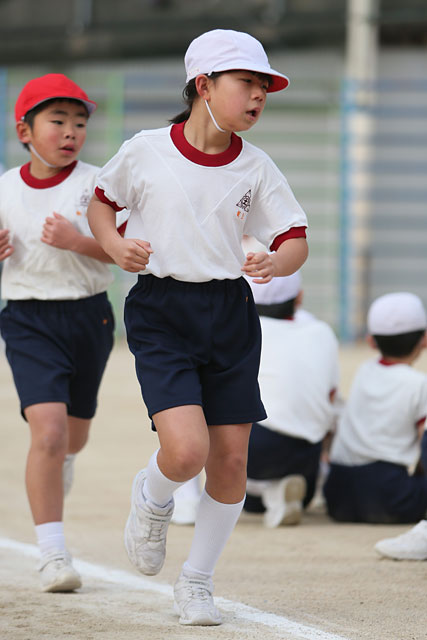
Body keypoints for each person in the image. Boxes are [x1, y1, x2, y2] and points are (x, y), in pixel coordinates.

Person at [87, 29, 308, 626]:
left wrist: (277, 261)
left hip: (230, 313)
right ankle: (152, 496)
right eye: (247, 83)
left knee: (230, 460)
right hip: (162, 310)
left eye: (265, 87)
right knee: (186, 452)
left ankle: (197, 583)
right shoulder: (146, 150)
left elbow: (294, 238)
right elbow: (101, 200)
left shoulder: (257, 167)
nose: (259, 96)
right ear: (203, 86)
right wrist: (113, 244)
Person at [0, 73, 124, 592]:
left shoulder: (98, 185)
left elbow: (125, 253)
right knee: (47, 433)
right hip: (27, 318)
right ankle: (52, 555)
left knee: (74, 436)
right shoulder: (5, 189)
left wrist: (78, 241)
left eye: (79, 122)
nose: (71, 131)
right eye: (58, 121)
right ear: (24, 131)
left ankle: (64, 460)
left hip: (89, 317)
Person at [243, 263, 340, 527]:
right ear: (299, 297)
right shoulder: (322, 332)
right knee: (255, 504)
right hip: (304, 453)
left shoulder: (238, 331)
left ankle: (188, 499)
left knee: (189, 406)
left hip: (252, 444)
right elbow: (331, 398)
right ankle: (274, 489)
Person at [324, 292, 427, 524]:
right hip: (390, 494)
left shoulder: (364, 370)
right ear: (425, 339)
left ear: (371, 341)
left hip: (338, 495)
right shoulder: (419, 384)